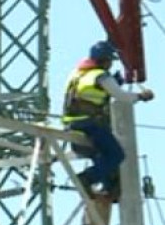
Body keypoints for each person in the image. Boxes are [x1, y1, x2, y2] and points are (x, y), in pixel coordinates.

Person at [62, 40, 154, 199]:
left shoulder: (78, 74)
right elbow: (121, 96)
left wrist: (116, 81)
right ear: (104, 60)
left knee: (101, 156)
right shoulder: (101, 76)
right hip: (91, 124)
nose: (111, 64)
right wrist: (141, 96)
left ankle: (109, 187)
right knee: (116, 155)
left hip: (72, 123)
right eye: (110, 60)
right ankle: (87, 178)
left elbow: (90, 92)